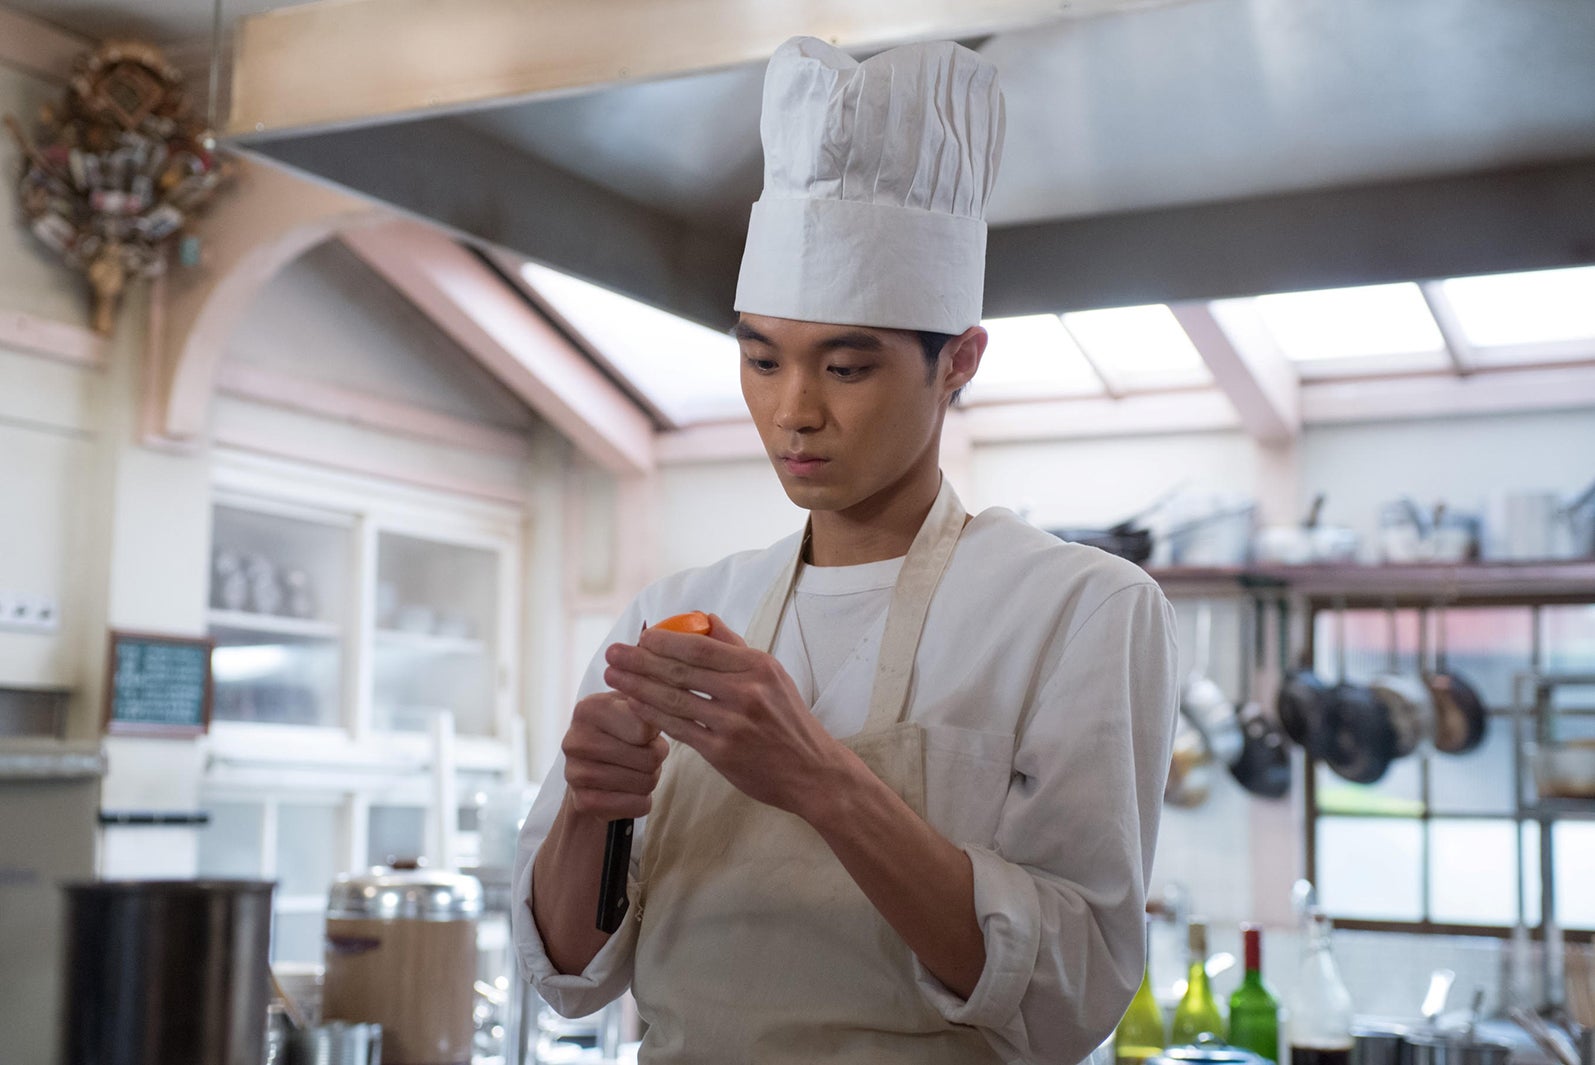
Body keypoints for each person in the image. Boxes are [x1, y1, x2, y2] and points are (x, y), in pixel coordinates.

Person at [512, 35, 1180, 1064]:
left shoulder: (1078, 609)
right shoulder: (675, 611)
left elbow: (1071, 993)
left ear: (956, 362)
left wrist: (819, 777)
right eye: (761, 357)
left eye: (848, 365)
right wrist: (592, 811)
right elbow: (568, 974)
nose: (794, 411)